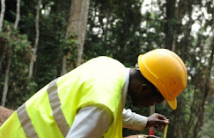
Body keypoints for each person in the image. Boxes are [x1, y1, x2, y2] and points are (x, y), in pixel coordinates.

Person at [0, 48, 188, 138]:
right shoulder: (102, 105)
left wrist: (145, 122)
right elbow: (101, 110)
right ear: (144, 89)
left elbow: (107, 109)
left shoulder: (109, 66)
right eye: (157, 98)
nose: (152, 104)